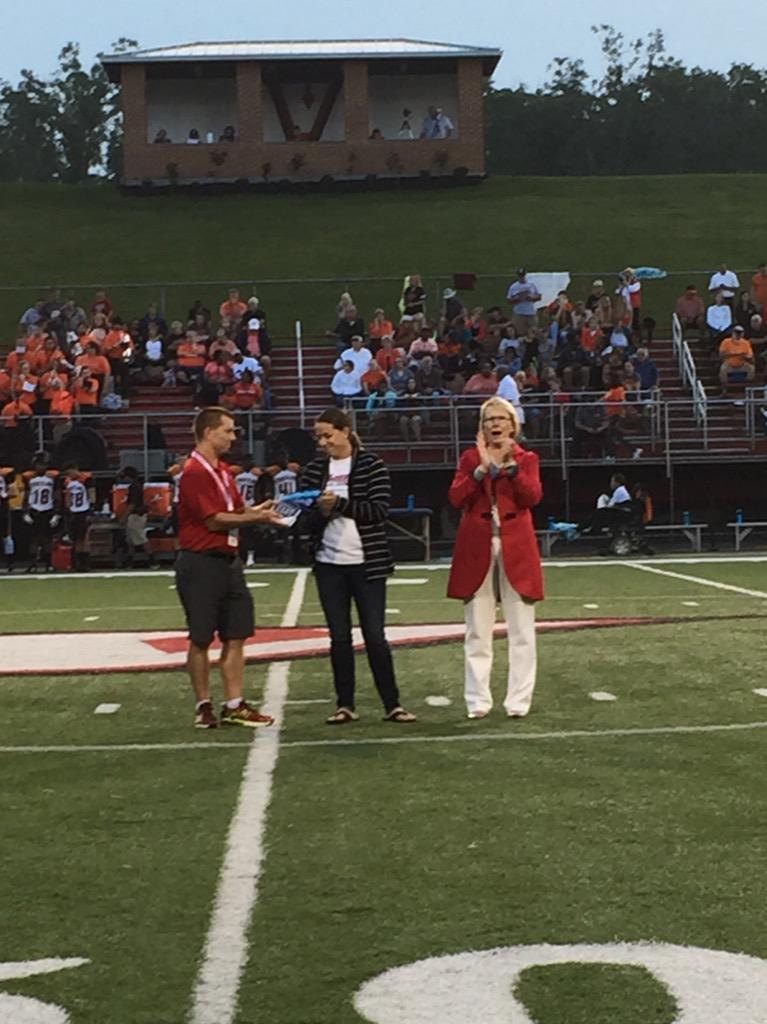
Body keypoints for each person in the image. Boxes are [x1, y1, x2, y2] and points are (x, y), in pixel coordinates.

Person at [299, 407, 416, 725]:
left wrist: (340, 505)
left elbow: (378, 510)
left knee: (375, 636)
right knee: (339, 637)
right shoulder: (314, 469)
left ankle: (392, 703)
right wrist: (319, 513)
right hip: (329, 564)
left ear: (345, 430)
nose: (322, 442)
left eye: (327, 434)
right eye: (318, 436)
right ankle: (345, 704)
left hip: (367, 563)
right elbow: (303, 519)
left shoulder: (371, 464)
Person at [175, 406, 283, 729]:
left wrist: (256, 510)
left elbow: (234, 510)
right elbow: (215, 519)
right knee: (201, 637)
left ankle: (234, 703)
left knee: (236, 633)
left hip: (228, 561)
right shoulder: (195, 471)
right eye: (228, 430)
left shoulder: (222, 472)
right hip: (201, 561)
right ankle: (203, 704)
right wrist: (258, 517)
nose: (233, 437)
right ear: (209, 432)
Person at [447, 397, 543, 720]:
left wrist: (511, 471)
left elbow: (532, 497)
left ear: (513, 425)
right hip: (477, 545)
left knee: (521, 629)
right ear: (481, 426)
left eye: (502, 418)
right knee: (477, 629)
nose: (496, 424)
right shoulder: (469, 457)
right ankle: (477, 700)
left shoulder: (527, 459)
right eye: (489, 419)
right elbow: (456, 497)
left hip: (517, 546)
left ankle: (518, 701)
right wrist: (479, 471)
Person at [63, 466, 91, 572]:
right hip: (82, 511)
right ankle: (82, 563)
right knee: (82, 539)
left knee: (79, 539)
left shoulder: (71, 484)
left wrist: (68, 509)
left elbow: (68, 500)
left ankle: (79, 563)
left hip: (77, 512)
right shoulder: (84, 482)